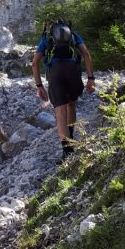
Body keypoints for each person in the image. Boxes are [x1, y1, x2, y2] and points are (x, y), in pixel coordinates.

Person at [31, 20, 96, 161]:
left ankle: (67, 151)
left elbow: (34, 63)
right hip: (73, 71)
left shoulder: (47, 37)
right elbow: (86, 53)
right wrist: (91, 78)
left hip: (55, 73)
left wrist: (39, 86)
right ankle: (71, 137)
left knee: (60, 112)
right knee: (71, 105)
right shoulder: (73, 34)